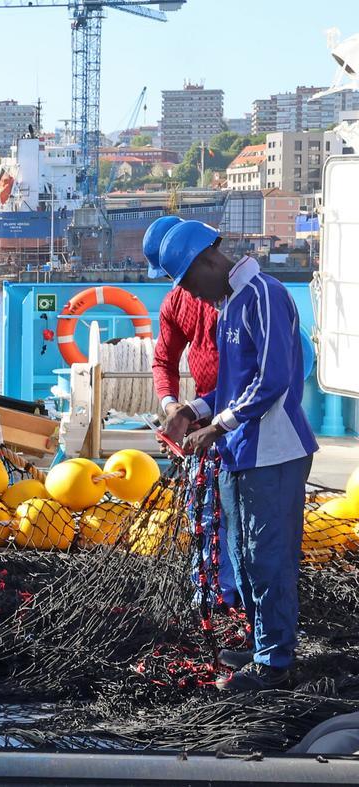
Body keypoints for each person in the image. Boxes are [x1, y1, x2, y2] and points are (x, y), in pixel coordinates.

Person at [158, 220, 318, 692]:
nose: (189, 293)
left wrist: (215, 427)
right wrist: (192, 408)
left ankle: (275, 661)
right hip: (241, 452)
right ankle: (260, 640)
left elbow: (272, 381)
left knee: (269, 557)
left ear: (208, 260)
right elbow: (229, 387)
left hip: (276, 452)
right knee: (242, 555)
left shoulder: (264, 295)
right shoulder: (228, 304)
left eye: (187, 281)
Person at [143, 216, 236, 608]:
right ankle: (210, 594)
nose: (179, 285)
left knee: (237, 515)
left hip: (237, 415)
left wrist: (194, 409)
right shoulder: (177, 301)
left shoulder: (232, 298)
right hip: (200, 416)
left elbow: (244, 377)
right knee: (202, 509)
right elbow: (162, 360)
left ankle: (232, 597)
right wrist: (170, 407)